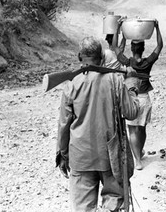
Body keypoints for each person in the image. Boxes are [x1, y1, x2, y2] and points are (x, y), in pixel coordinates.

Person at [56, 37, 140, 212]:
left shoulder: (71, 84)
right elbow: (132, 112)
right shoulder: (115, 80)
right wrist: (132, 87)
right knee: (114, 205)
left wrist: (62, 155)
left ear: (80, 56)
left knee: (83, 209)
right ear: (102, 56)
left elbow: (64, 124)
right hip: (110, 156)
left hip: (80, 157)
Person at [113, 19, 163, 170]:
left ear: (132, 48)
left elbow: (115, 47)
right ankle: (139, 153)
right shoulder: (148, 62)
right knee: (142, 129)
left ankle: (138, 161)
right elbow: (160, 46)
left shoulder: (128, 63)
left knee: (132, 130)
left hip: (132, 98)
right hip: (145, 99)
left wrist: (118, 27)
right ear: (143, 48)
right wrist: (157, 27)